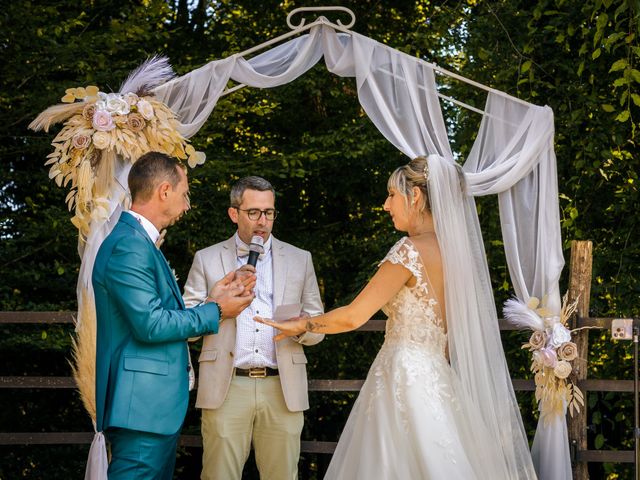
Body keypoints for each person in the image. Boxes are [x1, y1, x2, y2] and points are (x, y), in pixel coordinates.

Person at [257, 156, 539, 479]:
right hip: (438, 377)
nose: (386, 205)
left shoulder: (409, 251)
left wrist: (303, 324)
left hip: (404, 376)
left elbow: (353, 316)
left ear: (415, 197)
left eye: (392, 195)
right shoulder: (456, 254)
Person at [92, 151, 256, 480]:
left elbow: (156, 314)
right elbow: (150, 324)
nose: (187, 205)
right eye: (184, 195)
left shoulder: (139, 243)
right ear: (164, 191)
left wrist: (212, 298)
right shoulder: (130, 246)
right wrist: (218, 311)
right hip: (141, 408)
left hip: (150, 408)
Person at [182, 175, 324, 480]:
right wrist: (216, 303)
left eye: (269, 212)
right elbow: (187, 327)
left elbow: (319, 327)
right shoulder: (207, 259)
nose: (263, 221)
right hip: (227, 386)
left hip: (282, 388)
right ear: (234, 213)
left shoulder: (301, 259)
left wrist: (299, 327)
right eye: (254, 212)